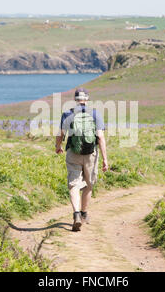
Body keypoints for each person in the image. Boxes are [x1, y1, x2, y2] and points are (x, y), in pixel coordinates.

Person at [56, 87, 108, 232]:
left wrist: (58, 147)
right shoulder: (95, 114)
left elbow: (60, 134)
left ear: (75, 99)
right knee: (88, 185)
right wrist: (105, 159)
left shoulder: (67, 114)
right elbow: (101, 137)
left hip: (73, 153)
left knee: (73, 185)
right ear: (87, 99)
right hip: (91, 154)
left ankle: (76, 214)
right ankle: (84, 214)